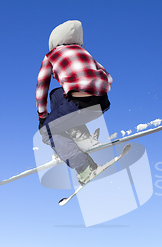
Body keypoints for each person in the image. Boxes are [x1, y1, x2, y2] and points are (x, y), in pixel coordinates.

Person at [36, 20, 112, 184]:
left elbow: (41, 87)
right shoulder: (84, 52)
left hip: (79, 105)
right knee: (56, 94)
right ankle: (83, 139)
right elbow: (106, 75)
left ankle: (84, 168)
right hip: (102, 102)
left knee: (47, 132)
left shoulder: (51, 56)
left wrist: (42, 117)